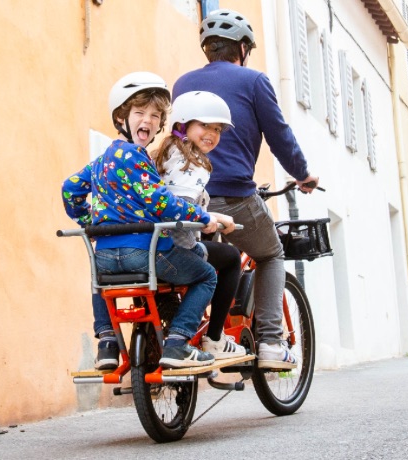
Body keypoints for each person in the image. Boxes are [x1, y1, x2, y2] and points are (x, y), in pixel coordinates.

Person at [173, 9, 320, 369]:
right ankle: (271, 342)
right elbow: (279, 135)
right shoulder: (254, 81)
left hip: (187, 199)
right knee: (270, 254)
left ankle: (211, 336)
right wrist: (302, 174)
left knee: (208, 262)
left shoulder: (182, 83)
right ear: (243, 47)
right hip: (235, 195)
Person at [61, 71, 235, 369]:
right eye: (140, 112)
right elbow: (162, 202)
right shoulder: (137, 158)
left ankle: (107, 344)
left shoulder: (101, 161)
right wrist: (203, 217)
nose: (149, 120)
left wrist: (89, 221)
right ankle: (178, 342)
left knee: (99, 283)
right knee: (206, 275)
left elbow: (70, 188)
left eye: (155, 116)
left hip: (104, 256)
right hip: (143, 252)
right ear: (121, 119)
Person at [152, 90, 246, 360]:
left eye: (217, 129)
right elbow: (182, 205)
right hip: (175, 245)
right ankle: (215, 339)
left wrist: (213, 217)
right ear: (183, 124)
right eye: (204, 125)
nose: (212, 134)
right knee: (228, 259)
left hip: (151, 244)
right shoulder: (192, 163)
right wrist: (210, 220)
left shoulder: (166, 153)